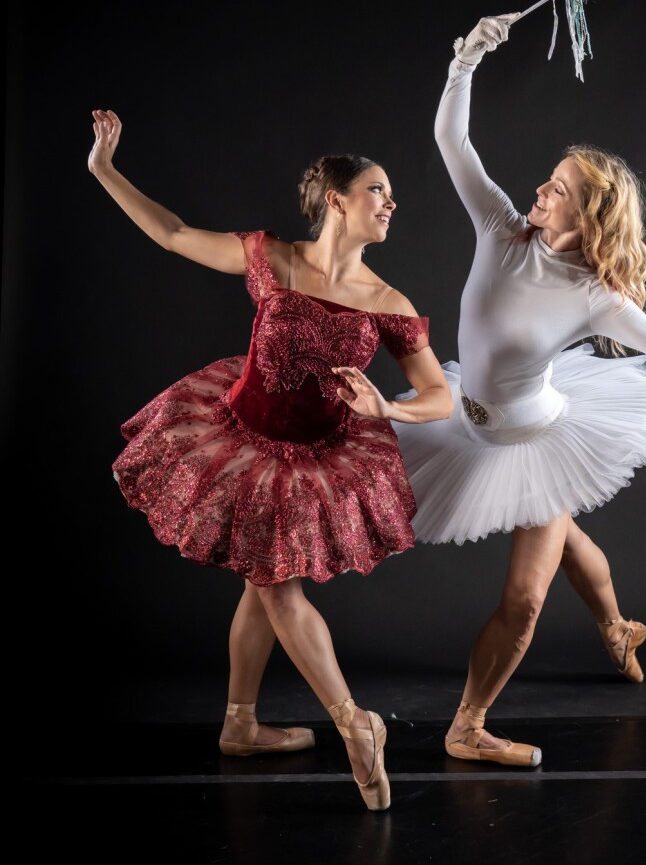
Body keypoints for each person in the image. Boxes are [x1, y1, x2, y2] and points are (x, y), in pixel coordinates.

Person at [392, 15, 646, 768]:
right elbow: (454, 145)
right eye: (546, 181)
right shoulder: (499, 228)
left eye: (556, 189)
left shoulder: (596, 297)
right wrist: (465, 62)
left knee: (525, 598)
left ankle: (467, 727)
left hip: (538, 440)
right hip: (468, 427)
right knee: (568, 538)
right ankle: (619, 631)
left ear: (587, 214)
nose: (537, 191)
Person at [88, 109, 453, 811]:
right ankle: (330, 721)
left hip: (316, 460)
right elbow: (170, 235)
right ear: (338, 200)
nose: (392, 203)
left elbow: (438, 396)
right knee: (269, 582)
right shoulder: (272, 259)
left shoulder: (387, 303)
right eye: (379, 190)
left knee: (271, 582)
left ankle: (267, 724)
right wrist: (105, 169)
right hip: (237, 440)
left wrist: (390, 410)